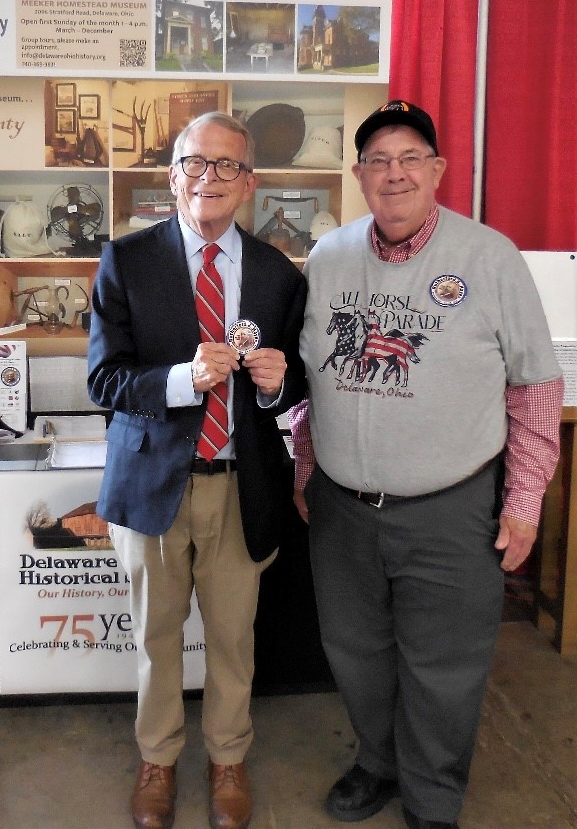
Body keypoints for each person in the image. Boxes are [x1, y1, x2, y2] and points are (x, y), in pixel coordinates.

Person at [289, 100, 564, 829]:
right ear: (359, 175)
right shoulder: (329, 255)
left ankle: (434, 795)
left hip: (451, 508)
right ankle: (377, 762)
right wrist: (305, 464)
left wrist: (525, 499)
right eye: (378, 160)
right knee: (355, 651)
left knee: (444, 667)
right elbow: (309, 374)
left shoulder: (489, 256)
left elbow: (535, 382)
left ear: (437, 170)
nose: (395, 173)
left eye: (411, 157)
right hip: (344, 507)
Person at [87, 111, 307, 829]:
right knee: (155, 637)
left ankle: (227, 757)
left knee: (233, 638)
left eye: (225, 167)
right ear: (172, 173)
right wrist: (181, 380)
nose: (206, 180)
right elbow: (105, 381)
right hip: (155, 484)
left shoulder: (276, 273)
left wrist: (277, 384)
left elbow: (294, 382)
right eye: (193, 163)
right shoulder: (126, 260)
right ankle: (157, 756)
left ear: (250, 182)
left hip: (241, 486)